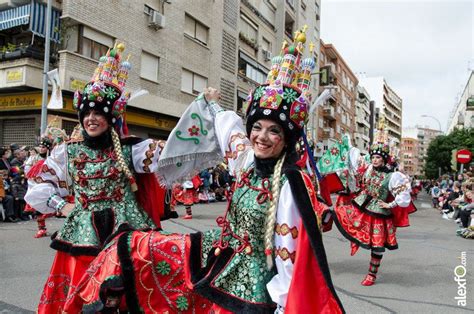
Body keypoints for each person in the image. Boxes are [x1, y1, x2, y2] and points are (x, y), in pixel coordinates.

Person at [65, 29, 344, 313]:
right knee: (133, 247)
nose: (261, 136)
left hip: (254, 283)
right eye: (257, 127)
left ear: (288, 138)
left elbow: (290, 257)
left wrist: (283, 306)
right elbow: (228, 129)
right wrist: (210, 104)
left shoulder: (290, 183)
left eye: (274, 131)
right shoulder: (247, 160)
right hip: (224, 254)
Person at [24, 43, 166, 313]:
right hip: (83, 233)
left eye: (99, 112)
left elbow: (172, 159)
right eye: (87, 113)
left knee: (128, 294)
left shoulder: (131, 149)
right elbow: (37, 182)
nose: (91, 118)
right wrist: (60, 205)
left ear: (111, 117)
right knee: (81, 296)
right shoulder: (69, 151)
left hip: (126, 231)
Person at [331, 119, 416, 286]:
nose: (375, 160)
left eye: (378, 157)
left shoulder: (393, 176)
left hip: (379, 212)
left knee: (377, 245)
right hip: (361, 203)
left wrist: (390, 205)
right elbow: (354, 170)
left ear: (384, 159)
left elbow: (404, 195)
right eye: (373, 157)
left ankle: (372, 275)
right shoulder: (368, 168)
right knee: (337, 213)